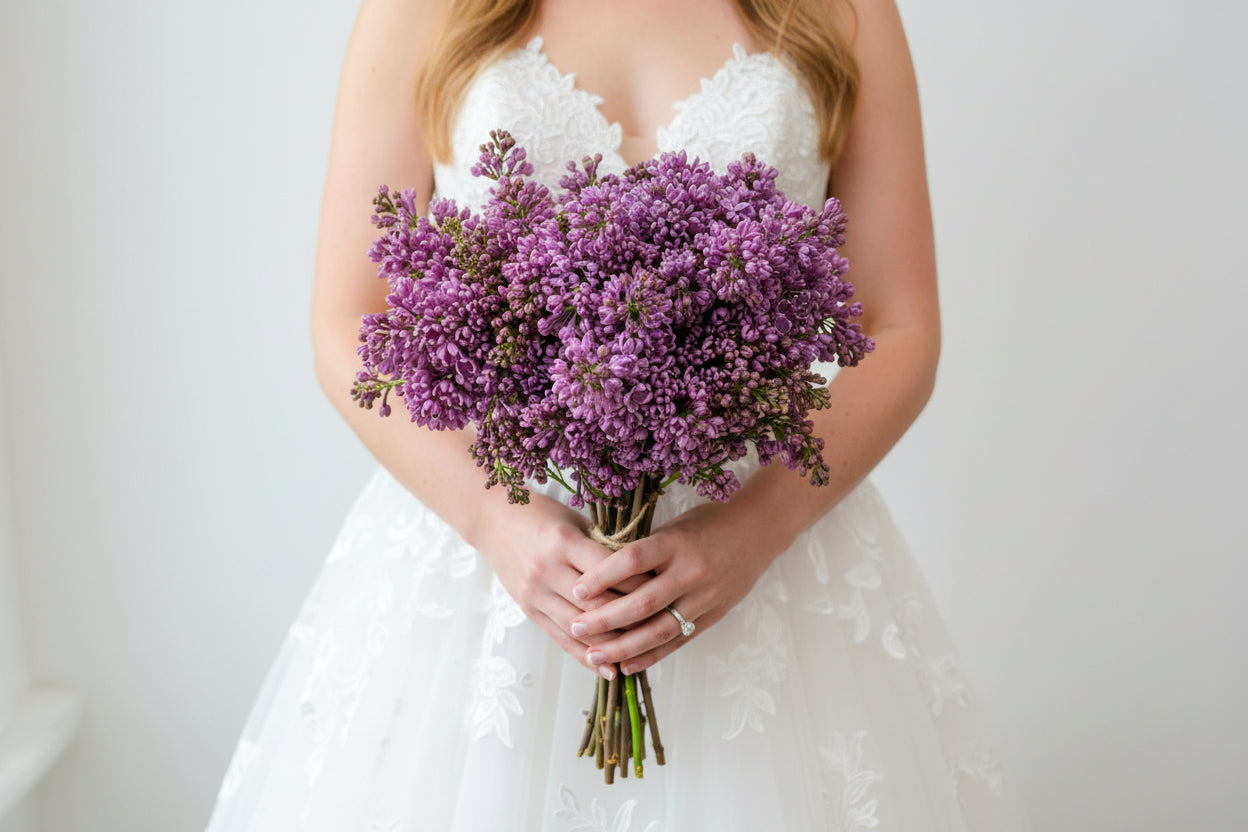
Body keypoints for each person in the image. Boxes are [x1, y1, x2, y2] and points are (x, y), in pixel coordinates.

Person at [205, 0, 1035, 828]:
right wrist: (499, 524)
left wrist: (754, 532)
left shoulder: (843, 9)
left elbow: (900, 328)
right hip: (492, 554)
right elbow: (349, 321)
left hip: (767, 552)